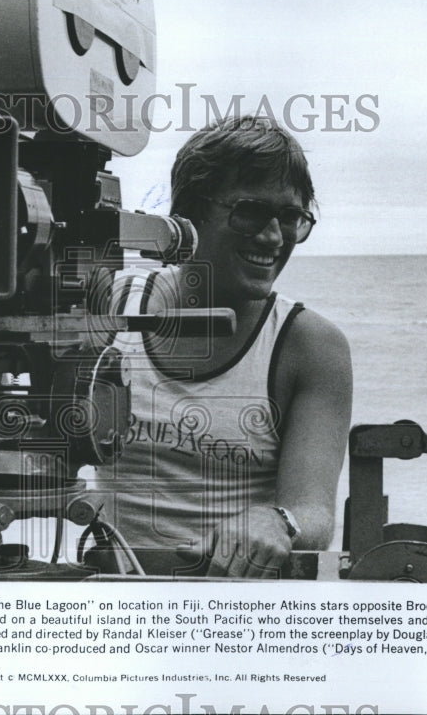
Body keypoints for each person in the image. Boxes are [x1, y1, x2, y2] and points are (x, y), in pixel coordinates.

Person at [90, 115, 353, 578]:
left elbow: (313, 512)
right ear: (188, 214)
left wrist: (277, 521)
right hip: (114, 591)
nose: (273, 237)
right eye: (250, 210)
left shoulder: (308, 345)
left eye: (290, 217)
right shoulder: (114, 304)